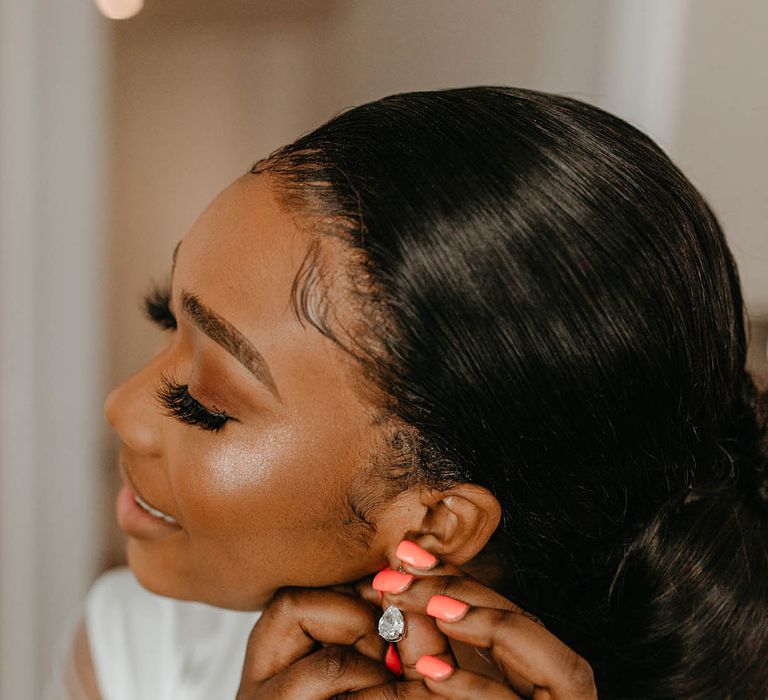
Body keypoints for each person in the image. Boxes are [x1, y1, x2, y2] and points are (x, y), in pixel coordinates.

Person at [46, 86, 768, 699]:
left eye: (204, 401)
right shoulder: (136, 647)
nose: (121, 407)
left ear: (435, 525)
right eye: (163, 315)